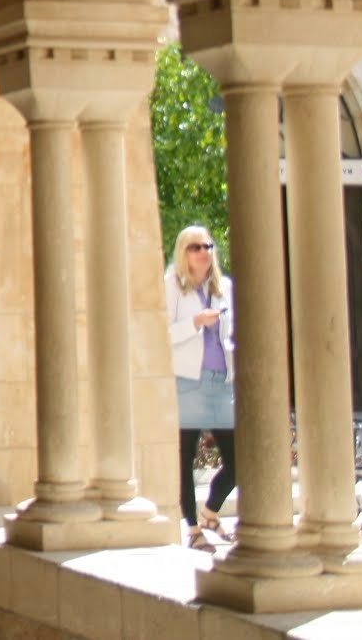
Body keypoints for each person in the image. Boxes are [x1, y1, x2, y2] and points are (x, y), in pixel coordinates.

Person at [165, 224, 236, 550]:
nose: (204, 252)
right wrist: (195, 323)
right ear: (184, 252)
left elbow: (231, 334)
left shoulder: (224, 287)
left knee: (239, 460)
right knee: (186, 457)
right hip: (188, 380)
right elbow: (163, 334)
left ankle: (210, 512)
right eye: (196, 247)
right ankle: (192, 529)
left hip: (219, 379)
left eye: (208, 246)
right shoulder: (172, 287)